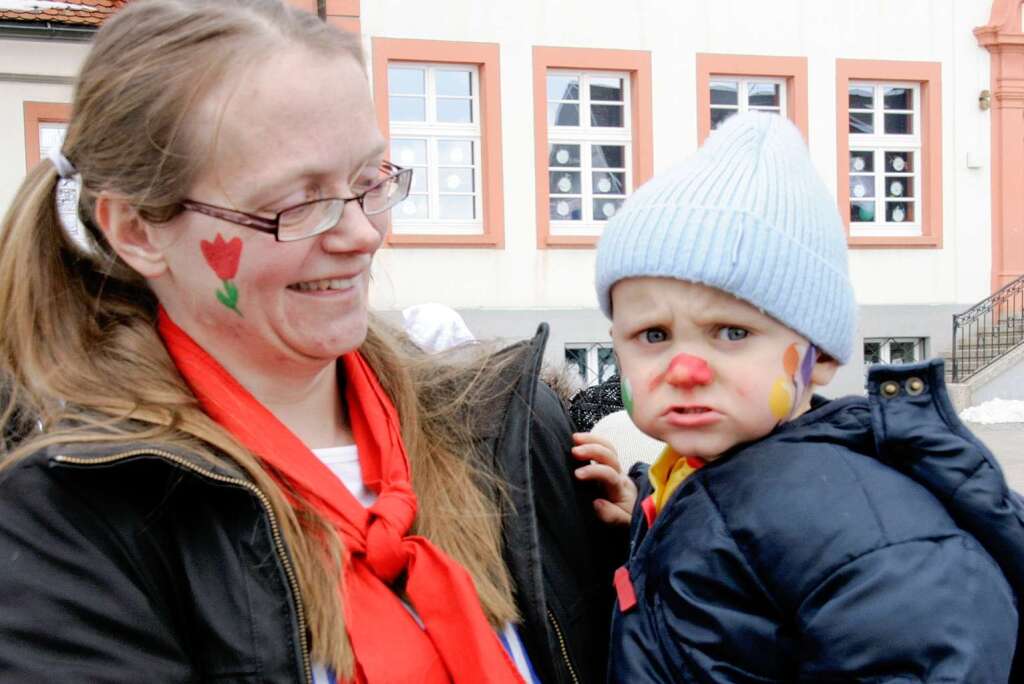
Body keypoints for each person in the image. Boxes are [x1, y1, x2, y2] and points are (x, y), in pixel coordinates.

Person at [0, 1, 617, 681]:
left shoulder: (506, 433)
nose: (361, 235)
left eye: (368, 182)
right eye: (297, 204)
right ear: (139, 231)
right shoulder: (73, 520)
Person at [587, 111, 1022, 682]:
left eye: (732, 332)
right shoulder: (696, 475)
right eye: (653, 335)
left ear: (822, 359)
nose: (685, 369)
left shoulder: (859, 525)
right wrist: (649, 510)